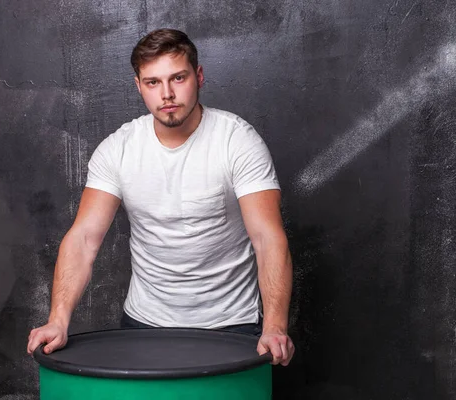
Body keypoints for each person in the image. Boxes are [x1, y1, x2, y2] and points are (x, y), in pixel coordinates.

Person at [27, 28, 294, 366]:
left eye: (177, 78)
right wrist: (58, 320)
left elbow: (268, 238)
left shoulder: (237, 142)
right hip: (144, 323)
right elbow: (83, 239)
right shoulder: (118, 149)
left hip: (231, 326)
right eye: (153, 82)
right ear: (138, 86)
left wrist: (274, 326)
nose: (166, 94)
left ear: (198, 76)